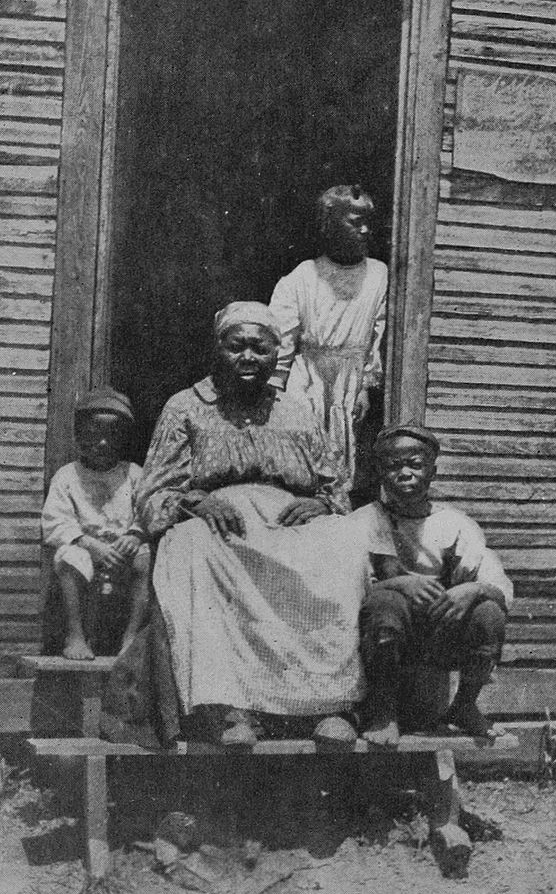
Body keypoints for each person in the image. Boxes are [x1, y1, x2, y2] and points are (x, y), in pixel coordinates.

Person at [107, 301, 369, 748]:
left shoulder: (296, 410)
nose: (248, 357)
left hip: (288, 525)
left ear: (276, 354)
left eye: (260, 348)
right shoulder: (186, 407)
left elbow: (336, 483)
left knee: (345, 542)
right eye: (236, 346)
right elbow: (152, 492)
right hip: (216, 526)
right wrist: (195, 501)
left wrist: (320, 504)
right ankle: (230, 710)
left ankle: (331, 704)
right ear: (218, 350)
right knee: (191, 547)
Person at [350, 423, 513, 747]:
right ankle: (383, 713)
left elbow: (498, 586)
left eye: (415, 464)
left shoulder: (455, 524)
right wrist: (398, 584)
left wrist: (473, 590)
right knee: (386, 604)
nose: (405, 474)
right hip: (383, 639)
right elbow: (346, 587)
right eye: (394, 466)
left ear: (432, 472)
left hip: (440, 636)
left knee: (488, 612)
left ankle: (464, 706)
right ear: (380, 472)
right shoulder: (363, 521)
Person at [268, 185, 387, 488]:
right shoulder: (303, 276)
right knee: (302, 452)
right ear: (330, 224)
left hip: (351, 381)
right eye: (354, 222)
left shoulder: (379, 275)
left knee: (345, 459)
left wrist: (365, 386)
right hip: (308, 378)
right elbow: (281, 340)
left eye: (367, 222)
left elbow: (379, 335)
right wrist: (276, 393)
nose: (364, 230)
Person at [41, 388, 151, 660]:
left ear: (123, 439)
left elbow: (148, 510)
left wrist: (135, 535)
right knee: (68, 557)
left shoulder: (133, 475)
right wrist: (88, 544)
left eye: (112, 436)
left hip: (122, 552)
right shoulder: (68, 476)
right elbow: (56, 521)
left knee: (145, 558)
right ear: (79, 436)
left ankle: (130, 638)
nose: (102, 443)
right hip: (87, 549)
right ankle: (76, 636)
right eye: (93, 435)